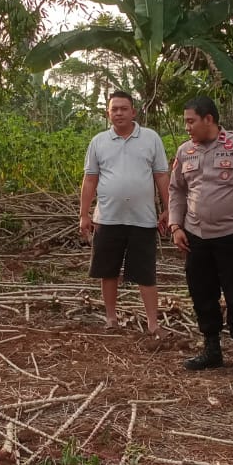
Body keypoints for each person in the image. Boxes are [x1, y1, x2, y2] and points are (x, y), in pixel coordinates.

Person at [168, 96, 233, 377]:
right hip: (195, 236)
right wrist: (176, 226)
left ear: (208, 119)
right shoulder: (185, 151)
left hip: (230, 234)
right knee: (202, 293)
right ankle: (211, 350)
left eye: (191, 121)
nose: (187, 126)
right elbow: (176, 190)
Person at [79, 91, 170, 337]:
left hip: (143, 218)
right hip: (108, 217)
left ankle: (153, 323)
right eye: (114, 109)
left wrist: (169, 209)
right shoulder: (99, 142)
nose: (118, 113)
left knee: (146, 271)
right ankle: (111, 318)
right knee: (108, 270)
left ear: (133, 111)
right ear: (108, 113)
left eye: (123, 108)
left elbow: (161, 175)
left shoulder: (150, 138)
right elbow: (90, 179)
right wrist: (84, 214)